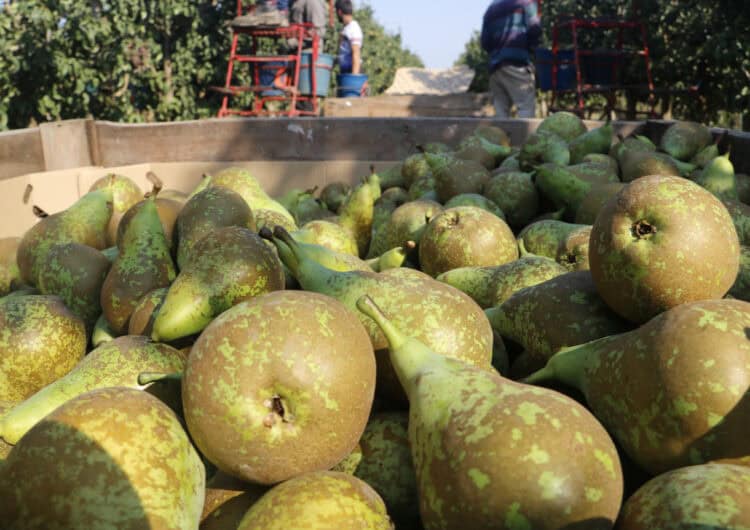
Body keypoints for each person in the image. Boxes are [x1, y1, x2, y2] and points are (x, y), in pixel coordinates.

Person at [480, 0, 541, 118]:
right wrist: (531, 48)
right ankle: (524, 137)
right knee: (525, 107)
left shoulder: (491, 8)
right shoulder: (526, 2)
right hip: (517, 63)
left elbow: (485, 42)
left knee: (501, 111)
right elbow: (535, 28)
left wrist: (497, 52)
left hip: (496, 66)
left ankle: (499, 136)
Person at [335, 0, 363, 74]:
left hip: (352, 71)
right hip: (345, 71)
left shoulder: (353, 28)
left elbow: (356, 54)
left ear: (339, 12)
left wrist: (353, 77)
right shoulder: (346, 28)